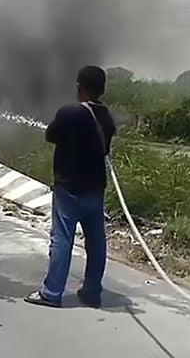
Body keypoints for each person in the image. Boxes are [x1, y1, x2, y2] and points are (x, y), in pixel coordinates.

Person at [24, 65, 116, 309]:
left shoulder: (69, 113)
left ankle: (52, 293)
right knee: (96, 242)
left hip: (69, 189)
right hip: (95, 189)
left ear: (79, 87)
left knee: (62, 239)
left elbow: (51, 135)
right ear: (102, 89)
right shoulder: (106, 117)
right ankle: (92, 292)